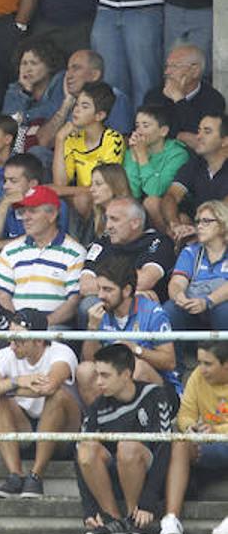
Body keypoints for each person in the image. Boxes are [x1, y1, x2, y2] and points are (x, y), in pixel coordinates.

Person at [77, 342, 175, 534]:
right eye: (97, 375)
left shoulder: (155, 395)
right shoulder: (98, 406)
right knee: (86, 448)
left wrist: (148, 501)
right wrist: (89, 508)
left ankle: (134, 518)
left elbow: (165, 449)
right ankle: (112, 519)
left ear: (126, 374)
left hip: (151, 475)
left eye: (105, 375)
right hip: (116, 474)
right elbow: (79, 455)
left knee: (127, 446)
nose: (98, 382)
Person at [0, 327, 82, 500]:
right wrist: (17, 381)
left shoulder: (61, 352)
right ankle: (15, 476)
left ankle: (35, 477)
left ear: (39, 340)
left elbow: (48, 387)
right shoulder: (4, 354)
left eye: (19, 341)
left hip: (61, 433)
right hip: (23, 427)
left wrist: (7, 387)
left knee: (58, 396)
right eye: (11, 339)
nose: (12, 345)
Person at [79, 258, 179, 408]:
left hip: (162, 391)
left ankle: (137, 425)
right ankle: (101, 423)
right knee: (84, 371)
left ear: (126, 290)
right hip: (114, 382)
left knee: (136, 367)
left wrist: (135, 349)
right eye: (99, 288)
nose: (100, 295)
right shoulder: (99, 313)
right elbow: (90, 360)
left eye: (107, 289)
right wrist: (92, 328)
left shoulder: (153, 312)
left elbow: (169, 362)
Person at [160, 340, 228, 534]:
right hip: (207, 443)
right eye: (199, 362)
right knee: (180, 443)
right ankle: (171, 519)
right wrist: (191, 426)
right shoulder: (197, 376)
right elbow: (185, 414)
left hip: (220, 438)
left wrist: (216, 430)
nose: (201, 369)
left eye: (208, 364)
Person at [0, 185, 85, 328]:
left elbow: (73, 302)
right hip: (15, 327)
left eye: (33, 211)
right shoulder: (10, 250)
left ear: (52, 215)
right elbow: (2, 294)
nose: (25, 217)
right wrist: (17, 324)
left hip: (54, 328)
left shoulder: (75, 252)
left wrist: (40, 325)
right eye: (23, 211)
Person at [53, 81, 126, 219]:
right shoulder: (72, 138)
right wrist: (59, 139)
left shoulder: (113, 139)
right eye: (77, 104)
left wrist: (61, 190)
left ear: (99, 116)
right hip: (82, 198)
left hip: (108, 199)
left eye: (84, 106)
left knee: (81, 198)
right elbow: (60, 183)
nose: (76, 110)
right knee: (66, 200)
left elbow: (107, 187)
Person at [38, 49, 134, 148]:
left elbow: (122, 144)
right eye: (68, 69)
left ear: (94, 75)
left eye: (76, 68)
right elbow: (43, 142)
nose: (69, 75)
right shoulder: (63, 97)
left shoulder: (116, 98)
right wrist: (65, 106)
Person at [162, 201, 228, 332]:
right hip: (194, 305)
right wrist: (179, 297)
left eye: (206, 221)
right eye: (198, 222)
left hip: (220, 305)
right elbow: (176, 283)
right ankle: (175, 353)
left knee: (223, 310)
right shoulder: (190, 252)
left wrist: (208, 301)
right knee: (170, 308)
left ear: (222, 225)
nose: (199, 227)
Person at [0, 37, 67, 164]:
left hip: (51, 152)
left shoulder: (59, 82)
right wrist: (25, 92)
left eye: (34, 63)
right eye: (24, 63)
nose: (27, 69)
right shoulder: (15, 90)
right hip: (19, 151)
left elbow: (54, 111)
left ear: (50, 66)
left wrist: (25, 116)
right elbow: (9, 125)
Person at [163, 113, 228, 243]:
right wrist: (175, 224)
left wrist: (197, 230)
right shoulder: (195, 163)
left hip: (222, 229)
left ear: (225, 141)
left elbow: (224, 208)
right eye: (199, 131)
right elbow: (171, 196)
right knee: (179, 217)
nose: (198, 136)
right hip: (199, 225)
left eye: (207, 132)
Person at [125, 105, 190, 233]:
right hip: (139, 209)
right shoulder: (133, 150)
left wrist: (142, 156)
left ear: (163, 131)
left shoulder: (177, 154)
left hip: (172, 209)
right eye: (137, 126)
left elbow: (155, 191)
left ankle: (168, 243)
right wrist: (133, 155)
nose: (139, 131)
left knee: (152, 203)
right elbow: (132, 194)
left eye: (146, 126)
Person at [144, 45, 225, 145]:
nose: (167, 72)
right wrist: (180, 136)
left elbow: (204, 138)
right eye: (167, 66)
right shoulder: (155, 95)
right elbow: (146, 131)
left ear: (195, 71)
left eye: (174, 66)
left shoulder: (213, 99)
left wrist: (179, 100)